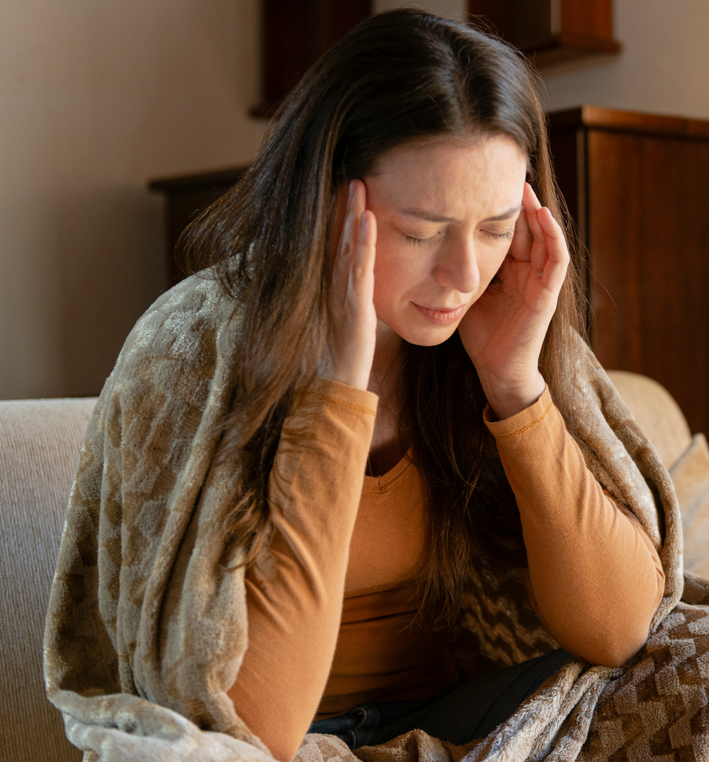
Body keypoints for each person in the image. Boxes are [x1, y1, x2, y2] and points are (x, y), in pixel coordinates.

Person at [153, 9, 664, 760]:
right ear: (327, 203)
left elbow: (617, 632)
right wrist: (336, 391)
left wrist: (514, 385)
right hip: (290, 740)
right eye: (421, 232)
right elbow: (247, 731)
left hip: (450, 721)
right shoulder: (194, 344)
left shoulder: (496, 315)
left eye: (495, 229)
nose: (463, 275)